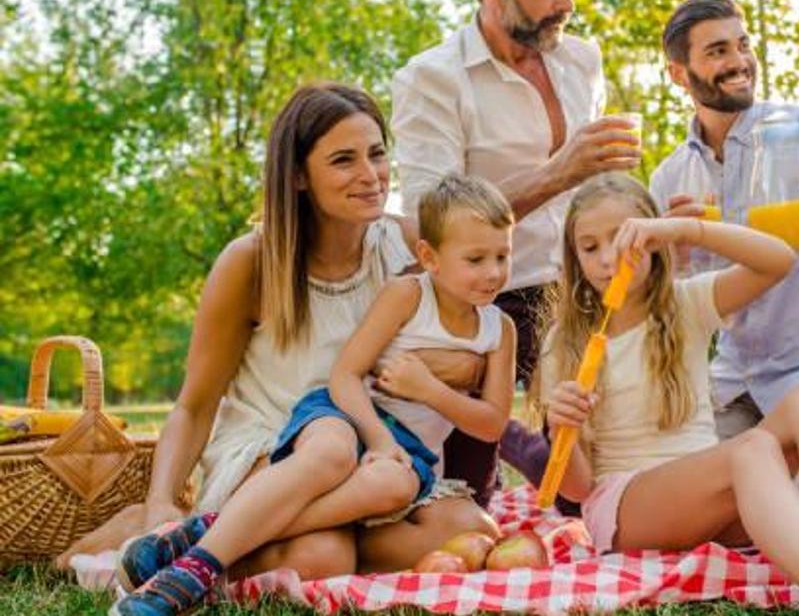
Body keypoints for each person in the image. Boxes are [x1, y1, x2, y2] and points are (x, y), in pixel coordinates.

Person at [60, 84, 496, 581]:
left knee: (467, 526)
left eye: (376, 154)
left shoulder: (404, 243)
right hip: (272, 446)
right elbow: (195, 404)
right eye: (342, 160)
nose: (370, 175)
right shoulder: (251, 262)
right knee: (323, 557)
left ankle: (211, 534)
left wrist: (466, 367)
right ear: (297, 176)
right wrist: (161, 500)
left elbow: (466, 333)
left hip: (369, 451)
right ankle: (171, 533)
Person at [533, 173, 799, 616]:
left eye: (623, 239)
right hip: (626, 509)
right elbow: (579, 487)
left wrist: (684, 229)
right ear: (575, 257)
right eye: (591, 247)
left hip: (708, 499)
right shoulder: (565, 341)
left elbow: (776, 261)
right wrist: (561, 427)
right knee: (752, 447)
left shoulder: (684, 305)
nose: (609, 258)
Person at [110, 174, 518, 615]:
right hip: (343, 413)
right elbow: (345, 375)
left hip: (406, 452)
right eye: (476, 259)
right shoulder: (406, 295)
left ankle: (208, 530)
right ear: (429, 258)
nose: (493, 272)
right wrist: (378, 439)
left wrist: (430, 391)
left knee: (400, 484)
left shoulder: (500, 329)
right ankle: (192, 572)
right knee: (330, 452)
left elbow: (492, 422)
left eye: (503, 255)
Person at [391, 0, 640, 504]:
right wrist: (559, 172)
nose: (567, 2)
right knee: (465, 498)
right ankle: (510, 444)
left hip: (583, 287)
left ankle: (535, 454)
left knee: (593, 492)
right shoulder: (432, 79)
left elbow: (591, 183)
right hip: (486, 303)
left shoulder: (582, 61)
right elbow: (431, 223)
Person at [649, 0, 799, 453]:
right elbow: (666, 307)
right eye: (717, 52)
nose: (739, 62)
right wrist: (668, 264)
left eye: (743, 45)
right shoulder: (671, 178)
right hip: (734, 383)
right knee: (686, 497)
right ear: (679, 74)